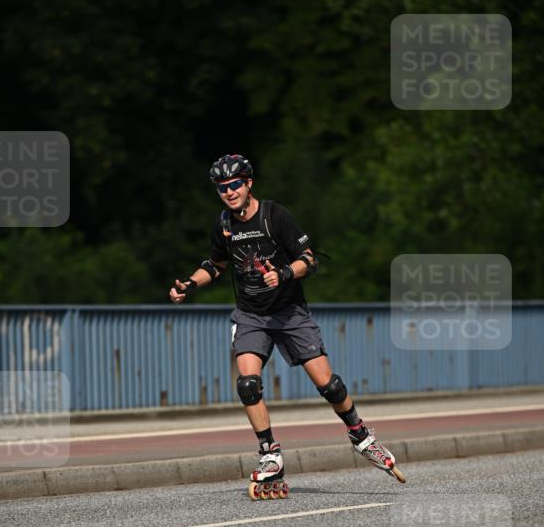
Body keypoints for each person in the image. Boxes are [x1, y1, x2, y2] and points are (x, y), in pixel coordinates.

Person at [168, 153, 404, 489]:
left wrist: (284, 273)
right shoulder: (223, 224)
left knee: (329, 386)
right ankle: (270, 453)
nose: (230, 192)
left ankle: (361, 436)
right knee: (247, 384)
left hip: (290, 313)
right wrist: (190, 284)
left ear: (249, 183)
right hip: (251, 315)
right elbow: (216, 264)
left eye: (235, 185)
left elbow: (309, 260)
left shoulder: (273, 215)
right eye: (223, 188)